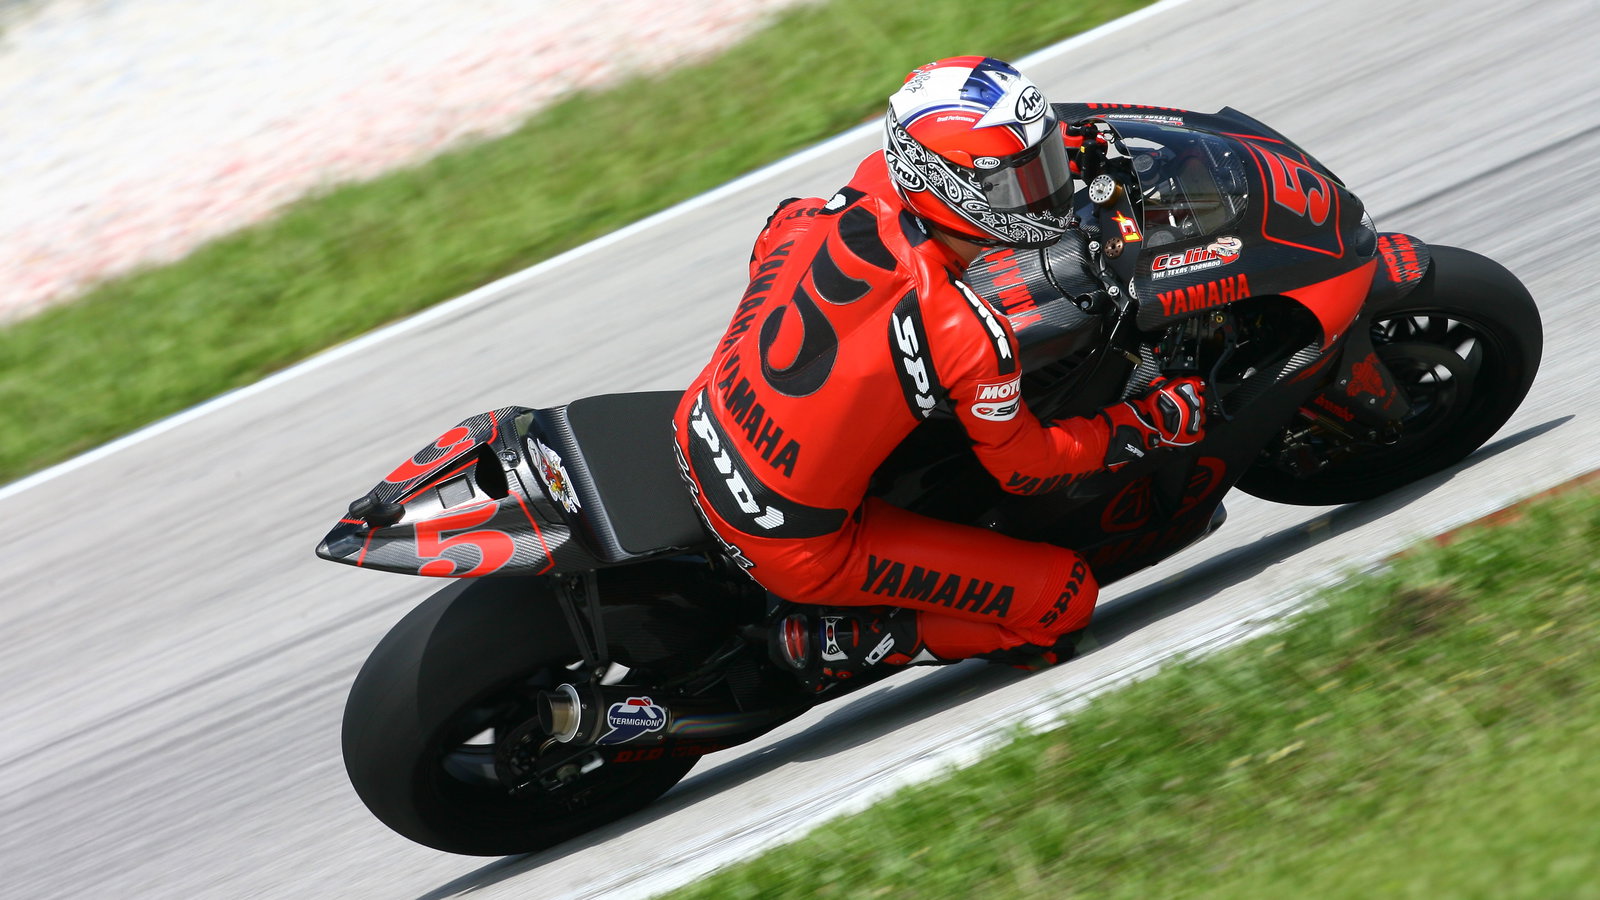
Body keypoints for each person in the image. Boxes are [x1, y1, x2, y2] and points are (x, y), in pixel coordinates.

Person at [672, 56, 1206, 689]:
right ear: (952, 189)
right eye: (1019, 180)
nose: (1045, 191)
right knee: (1063, 600)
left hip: (697, 421)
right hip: (796, 546)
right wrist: (1143, 423)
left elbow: (781, 226)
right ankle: (845, 639)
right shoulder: (962, 332)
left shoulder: (875, 181)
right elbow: (1027, 466)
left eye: (1045, 166)